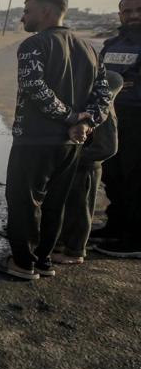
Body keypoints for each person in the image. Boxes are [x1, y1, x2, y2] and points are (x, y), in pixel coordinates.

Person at [0, 0, 110, 281]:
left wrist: (71, 118)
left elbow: (34, 88)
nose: (23, 17)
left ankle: (22, 263)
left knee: (24, 201)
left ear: (45, 12)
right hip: (70, 143)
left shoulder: (35, 44)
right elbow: (104, 96)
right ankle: (43, 260)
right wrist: (85, 123)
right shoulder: (89, 48)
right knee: (56, 202)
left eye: (27, 11)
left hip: (35, 138)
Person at [53, 71, 124, 264]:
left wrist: (78, 157)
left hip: (86, 166)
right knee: (68, 207)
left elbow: (108, 147)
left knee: (80, 210)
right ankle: (61, 243)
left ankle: (74, 251)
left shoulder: (103, 109)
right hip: (76, 162)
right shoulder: (90, 100)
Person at [90, 0, 141, 258]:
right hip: (113, 116)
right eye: (127, 11)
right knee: (114, 175)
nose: (133, 16)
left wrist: (126, 82)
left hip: (138, 118)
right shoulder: (113, 44)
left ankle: (135, 239)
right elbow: (101, 76)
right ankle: (117, 226)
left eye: (138, 11)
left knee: (136, 179)